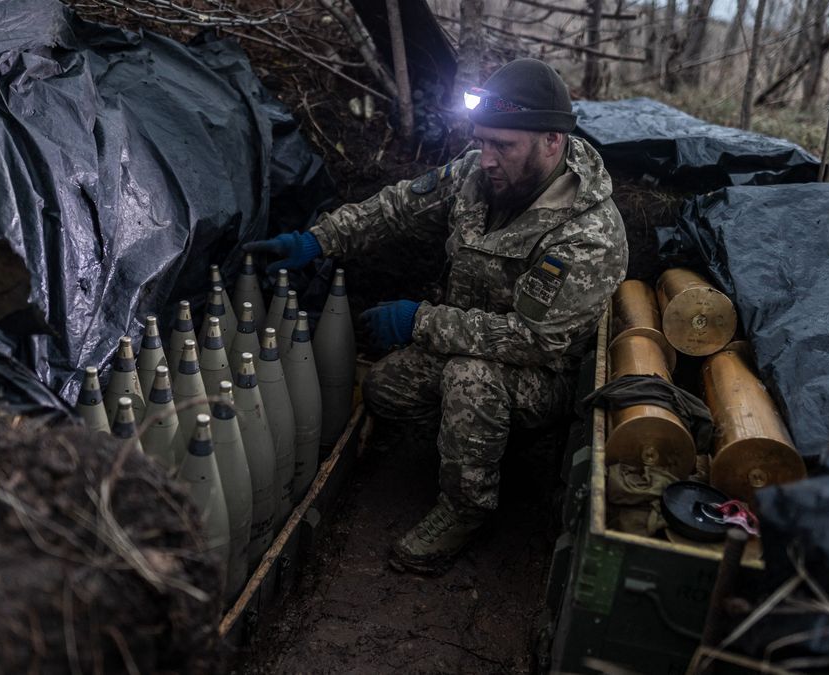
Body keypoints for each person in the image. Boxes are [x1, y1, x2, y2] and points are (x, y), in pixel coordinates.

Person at [246, 58, 628, 575]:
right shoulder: (479, 173)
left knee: (471, 381)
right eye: (482, 141)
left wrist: (419, 322)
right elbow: (400, 207)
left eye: (503, 146)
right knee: (384, 389)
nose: (486, 158)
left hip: (542, 376)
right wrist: (318, 240)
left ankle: (467, 510)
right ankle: (480, 444)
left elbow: (536, 342)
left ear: (551, 142)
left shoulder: (587, 236)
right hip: (464, 340)